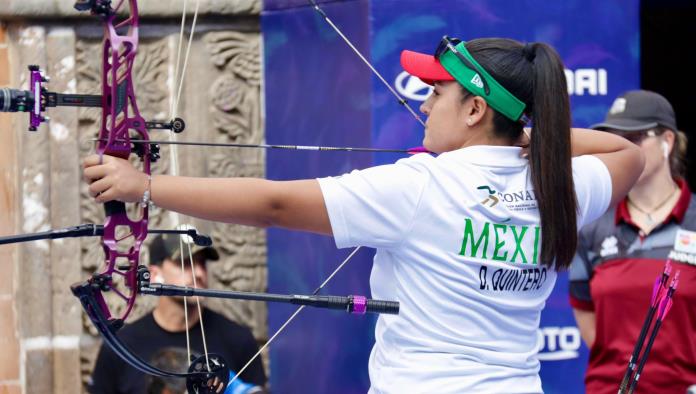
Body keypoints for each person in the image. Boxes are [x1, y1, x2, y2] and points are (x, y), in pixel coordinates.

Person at [83, 36, 644, 393]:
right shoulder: (558, 185)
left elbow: (274, 203)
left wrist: (146, 185)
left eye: (438, 93)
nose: (424, 103)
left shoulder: (422, 187)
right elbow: (631, 155)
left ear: (475, 108)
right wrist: (526, 135)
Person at [569, 90, 696, 393]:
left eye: (634, 138)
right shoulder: (592, 225)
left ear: (667, 141)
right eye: (614, 140)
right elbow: (588, 319)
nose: (623, 149)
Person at [89, 234, 267, 394]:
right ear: (154, 275)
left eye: (202, 263)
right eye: (185, 263)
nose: (198, 273)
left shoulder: (237, 339)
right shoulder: (121, 347)